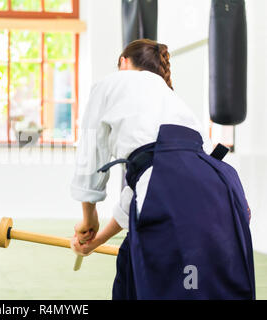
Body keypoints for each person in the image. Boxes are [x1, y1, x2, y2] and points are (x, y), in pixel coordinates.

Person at [70, 39, 255, 300]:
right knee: (207, 286)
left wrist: (88, 219)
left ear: (123, 62)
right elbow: (142, 188)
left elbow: (91, 157)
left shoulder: (110, 84)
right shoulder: (174, 102)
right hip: (224, 192)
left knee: (157, 285)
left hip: (173, 191)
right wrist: (98, 239)